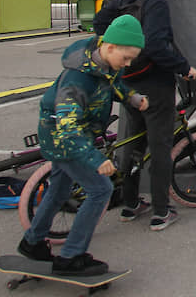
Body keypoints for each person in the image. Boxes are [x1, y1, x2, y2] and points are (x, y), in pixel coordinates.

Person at [17, 15, 149, 276]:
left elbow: (114, 85)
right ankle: (71, 256)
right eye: (126, 58)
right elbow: (68, 128)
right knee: (101, 189)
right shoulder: (77, 80)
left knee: (58, 190)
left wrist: (133, 99)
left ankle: (32, 242)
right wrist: (96, 160)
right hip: (65, 140)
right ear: (109, 47)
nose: (128, 64)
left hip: (75, 138)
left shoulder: (105, 65)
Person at [93, 0, 196, 231]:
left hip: (129, 79)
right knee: (160, 145)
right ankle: (161, 211)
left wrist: (123, 54)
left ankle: (130, 204)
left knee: (134, 142)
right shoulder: (155, 2)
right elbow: (156, 46)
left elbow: (100, 23)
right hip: (155, 82)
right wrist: (184, 67)